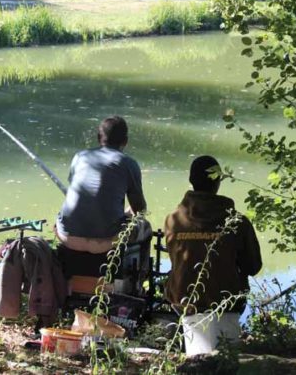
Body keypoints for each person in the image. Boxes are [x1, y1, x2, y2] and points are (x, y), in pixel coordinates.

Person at [164, 155, 262, 351]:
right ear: (218, 181)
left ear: (191, 181)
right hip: (226, 303)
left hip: (183, 301)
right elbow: (253, 267)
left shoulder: (172, 220)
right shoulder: (237, 222)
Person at [56, 116, 148, 255]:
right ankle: (140, 273)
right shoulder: (128, 164)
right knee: (145, 227)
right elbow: (140, 210)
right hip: (106, 242)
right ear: (126, 141)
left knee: (59, 220)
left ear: (99, 137)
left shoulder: (80, 157)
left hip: (67, 237)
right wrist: (128, 213)